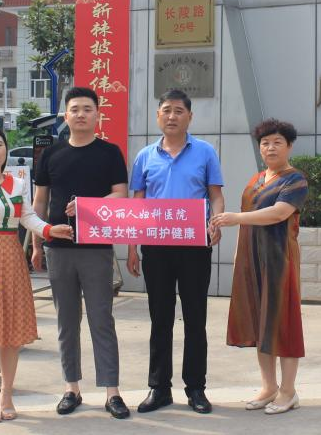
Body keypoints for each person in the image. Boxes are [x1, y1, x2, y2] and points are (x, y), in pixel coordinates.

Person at [0, 125, 73, 424]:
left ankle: (6, 395)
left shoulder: (18, 183)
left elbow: (27, 217)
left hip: (11, 258)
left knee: (10, 335)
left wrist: (50, 230)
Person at [30, 87, 131, 420]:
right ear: (66, 116)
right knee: (66, 320)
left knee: (102, 319)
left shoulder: (109, 153)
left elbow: (120, 195)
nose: (81, 114)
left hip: (97, 248)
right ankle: (71, 388)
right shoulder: (51, 154)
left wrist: (89, 206)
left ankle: (112, 392)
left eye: (88, 109)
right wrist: (37, 243)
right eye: (75, 109)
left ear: (97, 115)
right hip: (58, 248)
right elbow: (40, 202)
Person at [126, 89, 224, 414]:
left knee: (195, 318)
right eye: (166, 110)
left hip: (194, 245)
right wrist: (132, 248)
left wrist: (216, 221)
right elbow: (137, 204)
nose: (172, 116)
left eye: (179, 111)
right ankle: (159, 388)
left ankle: (196, 388)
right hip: (155, 247)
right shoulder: (145, 156)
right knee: (160, 319)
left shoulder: (205, 152)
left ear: (189, 117)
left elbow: (215, 194)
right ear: (158, 115)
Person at [210, 118, 308, 415]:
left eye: (277, 142)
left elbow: (278, 213)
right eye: (265, 143)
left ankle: (289, 391)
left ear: (289, 146)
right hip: (251, 260)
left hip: (280, 261)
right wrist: (239, 256)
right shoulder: (256, 179)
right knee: (260, 322)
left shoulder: (295, 180)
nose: (270, 147)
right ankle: (269, 387)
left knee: (283, 323)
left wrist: (236, 218)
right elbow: (249, 223)